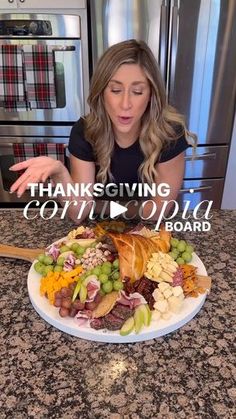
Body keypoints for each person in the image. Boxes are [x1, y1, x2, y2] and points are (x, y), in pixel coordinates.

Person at [9, 39, 196, 223]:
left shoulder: (170, 134)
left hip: (150, 232)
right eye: (115, 90)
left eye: (137, 92)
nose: (125, 104)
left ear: (151, 96)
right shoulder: (84, 131)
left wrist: (99, 206)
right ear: (101, 92)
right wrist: (60, 175)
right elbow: (78, 213)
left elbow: (156, 212)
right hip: (97, 234)